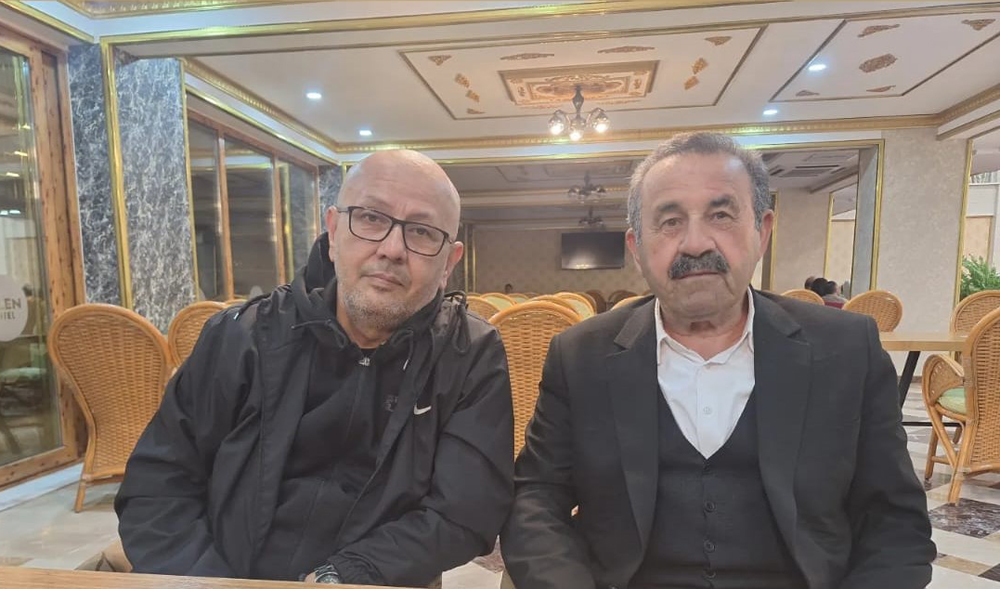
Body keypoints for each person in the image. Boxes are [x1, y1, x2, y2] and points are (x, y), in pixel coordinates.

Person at [501, 132, 934, 589]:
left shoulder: (845, 349)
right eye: (669, 221)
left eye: (721, 216)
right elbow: (536, 499)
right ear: (637, 248)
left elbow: (895, 521)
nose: (694, 243)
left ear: (762, 231)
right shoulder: (581, 355)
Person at [116, 150, 514, 586]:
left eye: (421, 231)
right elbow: (158, 484)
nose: (392, 249)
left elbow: (466, 510)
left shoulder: (468, 355)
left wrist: (347, 574)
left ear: (449, 262)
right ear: (333, 229)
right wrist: (212, 582)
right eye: (371, 218)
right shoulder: (244, 335)